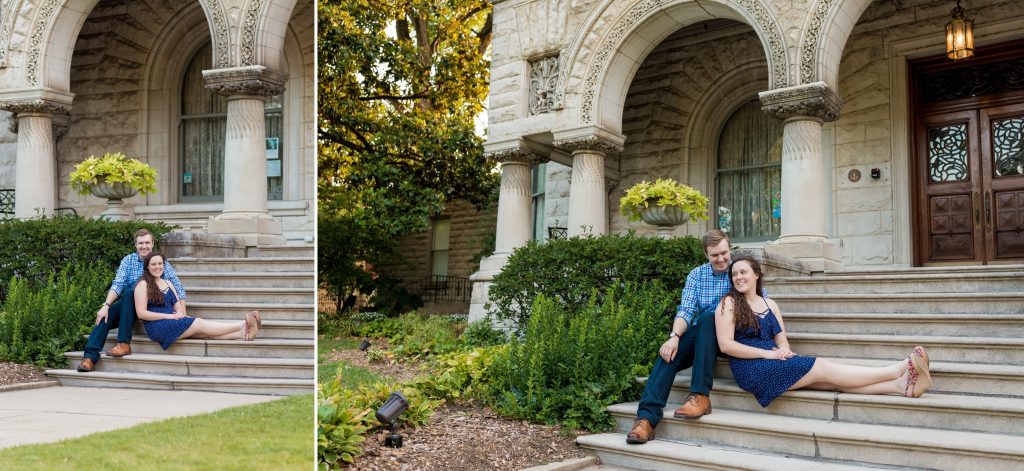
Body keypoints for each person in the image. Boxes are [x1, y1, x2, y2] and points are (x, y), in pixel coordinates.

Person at [715, 254, 932, 407]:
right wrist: (767, 353)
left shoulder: (770, 304)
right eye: (734, 275)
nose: (738, 277)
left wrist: (783, 351)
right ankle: (896, 370)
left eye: (743, 272)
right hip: (751, 369)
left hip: (774, 360)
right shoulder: (728, 303)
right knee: (822, 367)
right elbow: (726, 345)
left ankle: (900, 387)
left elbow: (782, 340)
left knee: (830, 382)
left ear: (756, 274)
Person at [627, 230, 765, 444]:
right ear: (706, 255)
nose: (721, 259)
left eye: (724, 253)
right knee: (669, 354)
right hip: (703, 335)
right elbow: (687, 309)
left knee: (710, 316)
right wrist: (674, 337)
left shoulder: (739, 271)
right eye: (714, 255)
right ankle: (646, 419)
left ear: (730, 249)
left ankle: (700, 395)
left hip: (733, 337)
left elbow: (760, 302)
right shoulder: (697, 275)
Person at [78, 229, 187, 372]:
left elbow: (176, 286)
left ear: (152, 243)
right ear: (135, 245)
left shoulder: (160, 262)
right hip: (128, 306)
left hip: (150, 307)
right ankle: (90, 358)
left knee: (131, 291)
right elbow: (118, 284)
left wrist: (182, 312)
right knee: (106, 315)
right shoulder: (128, 260)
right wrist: (106, 305)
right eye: (140, 243)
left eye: (147, 242)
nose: (144, 246)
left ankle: (124, 342)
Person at [135, 252, 261, 347]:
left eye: (160, 263)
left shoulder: (168, 283)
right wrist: (167, 316)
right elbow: (141, 313)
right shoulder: (143, 285)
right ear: (147, 267)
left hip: (173, 320)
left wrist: (179, 313)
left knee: (204, 332)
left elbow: (177, 304)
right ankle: (243, 324)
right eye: (153, 264)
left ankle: (243, 334)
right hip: (158, 326)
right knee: (199, 323)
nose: (157, 267)